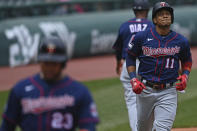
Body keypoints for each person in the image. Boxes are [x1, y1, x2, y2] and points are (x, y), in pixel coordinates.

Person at [0, 37, 99, 131]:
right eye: (46, 63)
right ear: (40, 62)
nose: (49, 68)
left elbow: (88, 126)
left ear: (62, 64)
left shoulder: (79, 91)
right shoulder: (20, 89)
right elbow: (7, 126)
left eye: (54, 64)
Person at [126, 1, 192, 131]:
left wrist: (185, 75)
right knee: (143, 128)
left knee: (162, 128)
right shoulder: (142, 37)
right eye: (161, 14)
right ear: (154, 19)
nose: (165, 16)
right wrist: (133, 79)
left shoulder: (181, 40)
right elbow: (130, 57)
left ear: (172, 18)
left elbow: (187, 60)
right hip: (145, 90)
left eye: (168, 14)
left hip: (168, 91)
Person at [112, 0, 153, 130]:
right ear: (147, 11)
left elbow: (118, 49)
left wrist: (118, 62)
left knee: (132, 101)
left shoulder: (125, 26)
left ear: (134, 11)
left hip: (128, 65)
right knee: (152, 97)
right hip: (148, 64)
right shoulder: (152, 25)